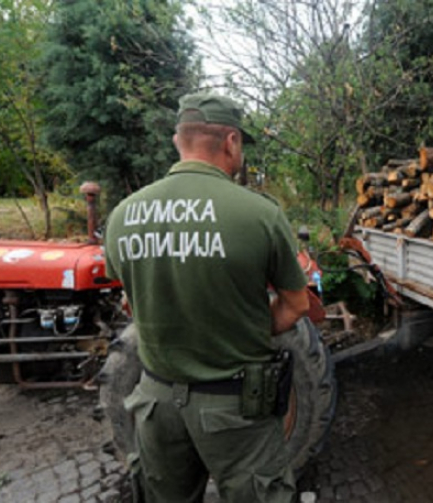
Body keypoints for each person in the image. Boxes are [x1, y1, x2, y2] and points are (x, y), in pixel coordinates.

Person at [104, 92, 309, 503]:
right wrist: (239, 327)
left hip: (155, 404)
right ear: (231, 141)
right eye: (242, 146)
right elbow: (296, 305)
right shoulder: (259, 213)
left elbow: (132, 305)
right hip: (236, 408)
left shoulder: (124, 215)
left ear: (179, 141)